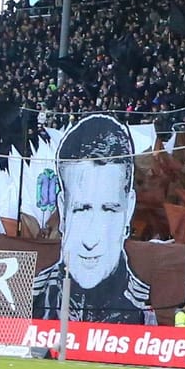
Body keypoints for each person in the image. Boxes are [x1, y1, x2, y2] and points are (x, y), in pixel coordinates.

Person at [30, 114, 155, 325]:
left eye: (109, 210)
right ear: (62, 209)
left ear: (129, 208)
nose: (91, 241)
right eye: (81, 209)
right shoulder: (34, 295)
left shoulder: (143, 308)